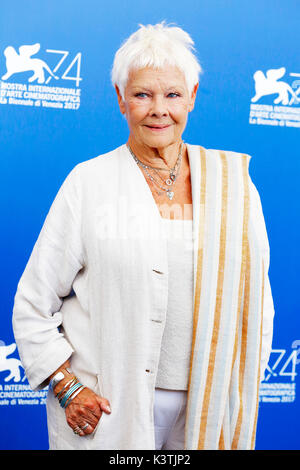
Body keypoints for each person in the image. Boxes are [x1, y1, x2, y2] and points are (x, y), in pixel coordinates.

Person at [12, 22, 275, 450]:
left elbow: (257, 303)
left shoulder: (233, 186)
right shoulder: (88, 182)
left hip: (207, 409)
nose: (159, 109)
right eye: (142, 94)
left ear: (192, 96)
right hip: (111, 408)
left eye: (172, 94)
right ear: (120, 99)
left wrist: (240, 383)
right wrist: (67, 386)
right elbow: (33, 305)